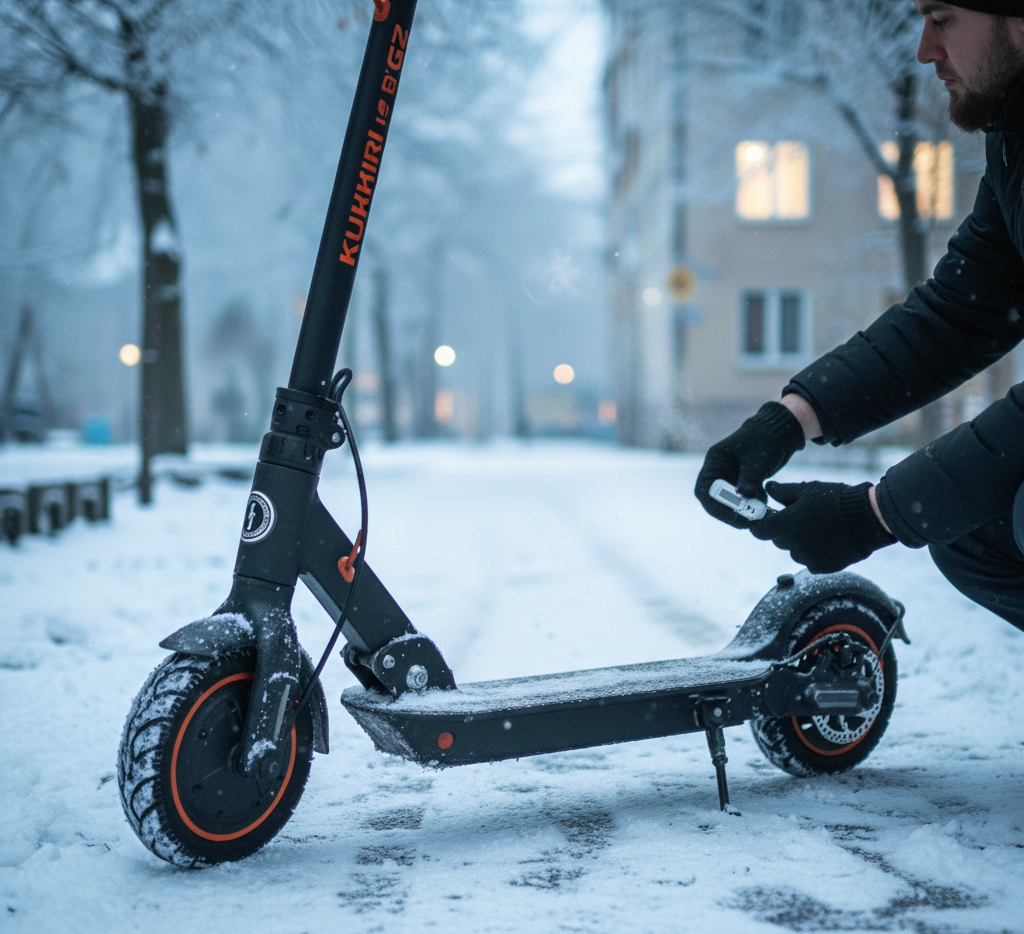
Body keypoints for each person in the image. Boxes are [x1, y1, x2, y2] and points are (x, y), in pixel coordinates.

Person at [695, 0, 1024, 632]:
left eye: (944, 19)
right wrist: (788, 421)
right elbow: (957, 314)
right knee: (971, 530)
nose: (925, 49)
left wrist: (874, 513)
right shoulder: (1016, 147)